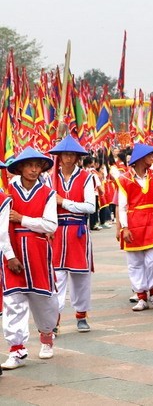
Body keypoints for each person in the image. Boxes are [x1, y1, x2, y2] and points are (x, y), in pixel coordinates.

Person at [1, 147, 58, 369]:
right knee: (13, 300)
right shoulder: (7, 192)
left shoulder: (48, 193)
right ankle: (16, 349)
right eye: (29, 165)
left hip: (38, 250)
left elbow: (51, 225)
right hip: (11, 247)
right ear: (20, 168)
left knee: (43, 299)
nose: (34, 170)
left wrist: (24, 219)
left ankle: (46, 335)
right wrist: (9, 255)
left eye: (38, 166)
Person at [49, 136, 96, 333]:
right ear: (59, 157)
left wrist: (64, 202)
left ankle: (81, 315)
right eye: (64, 154)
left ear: (77, 157)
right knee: (56, 278)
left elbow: (90, 207)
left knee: (80, 277)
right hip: (57, 232)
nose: (68, 158)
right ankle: (54, 319)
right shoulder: (50, 178)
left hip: (78, 232)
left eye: (71, 155)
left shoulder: (86, 177)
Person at [117, 143, 153, 312]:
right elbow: (122, 207)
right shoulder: (124, 179)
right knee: (135, 262)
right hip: (133, 222)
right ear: (140, 159)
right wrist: (124, 227)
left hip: (152, 221)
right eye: (150, 156)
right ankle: (141, 296)